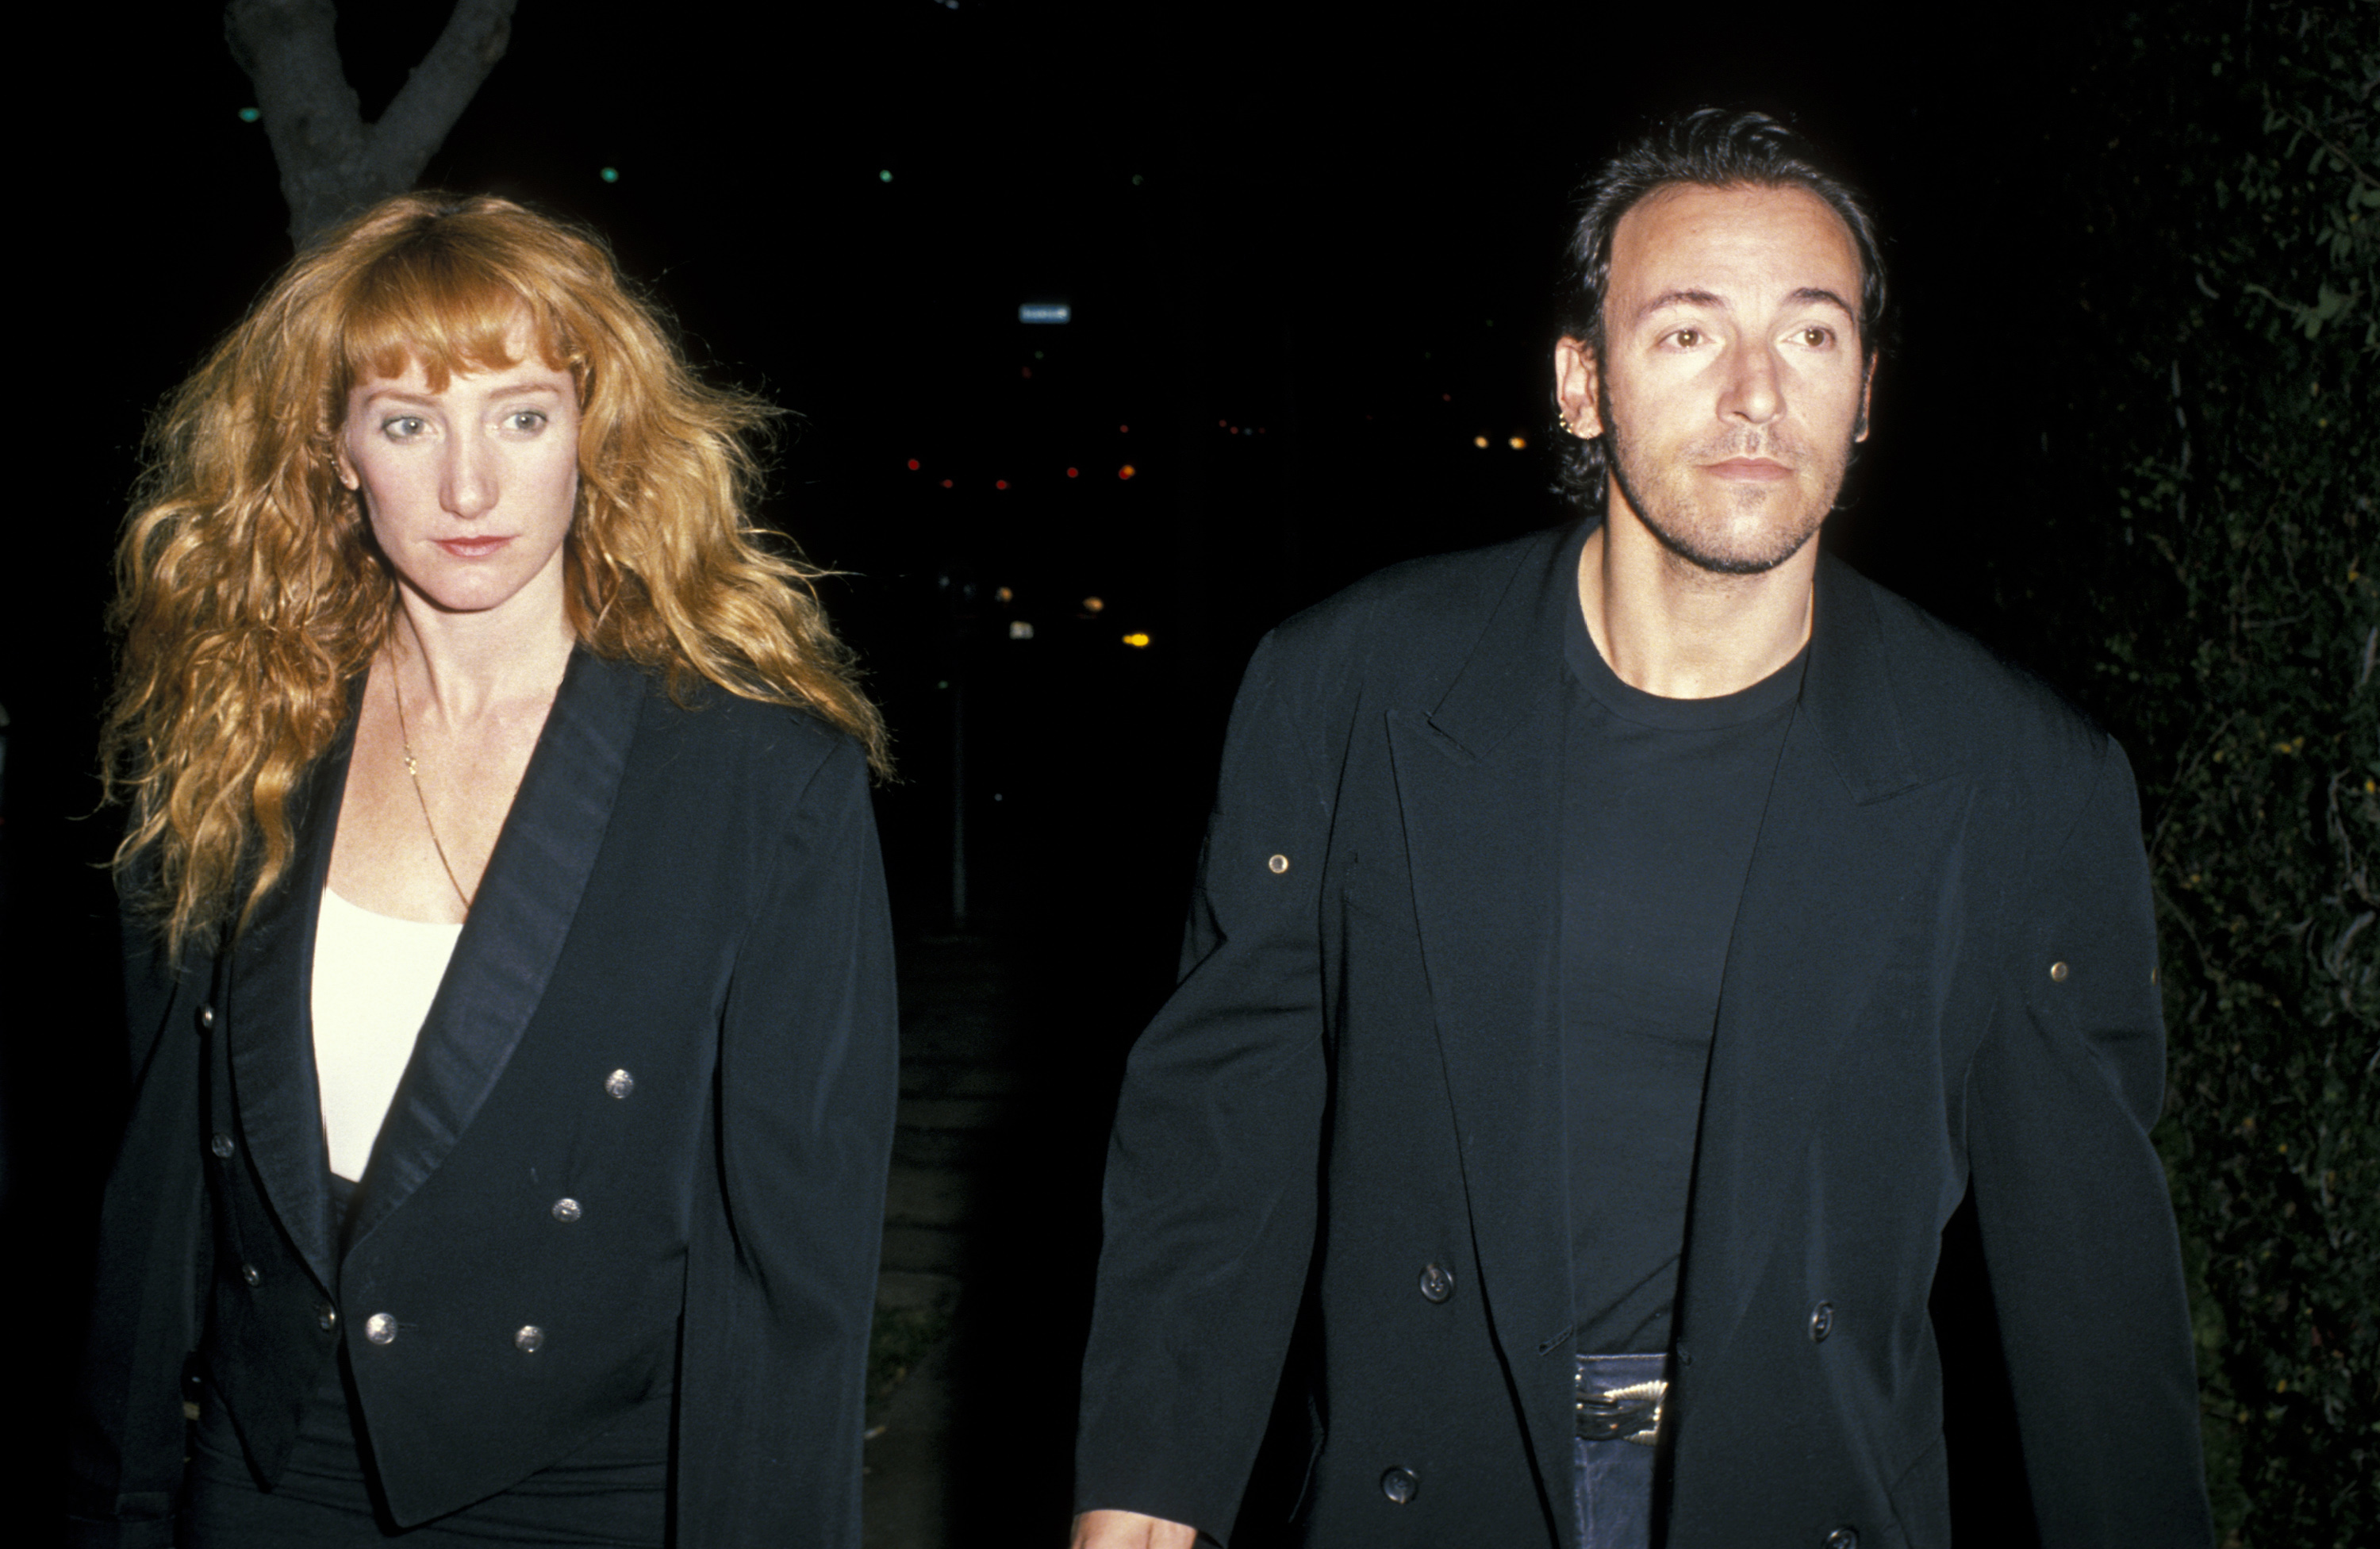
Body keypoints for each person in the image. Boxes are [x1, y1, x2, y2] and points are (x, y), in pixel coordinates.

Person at [1069, 110, 2213, 1549]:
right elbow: (1221, 1130)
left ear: (1864, 391)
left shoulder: (2020, 778)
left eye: (1810, 336)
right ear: (1581, 383)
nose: (1755, 396)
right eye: (1686, 333)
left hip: (1803, 1494)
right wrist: (1143, 1496)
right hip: (1435, 1481)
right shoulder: (1352, 688)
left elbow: (2093, 1285)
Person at [69, 193, 898, 1548]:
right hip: (273, 1477)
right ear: (333, 451)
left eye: (521, 415)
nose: (468, 488)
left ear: (596, 433)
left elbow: (791, 1278)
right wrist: (122, 1506)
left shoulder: (756, 777)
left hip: (600, 1490)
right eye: (407, 422)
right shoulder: (238, 737)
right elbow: (161, 1189)